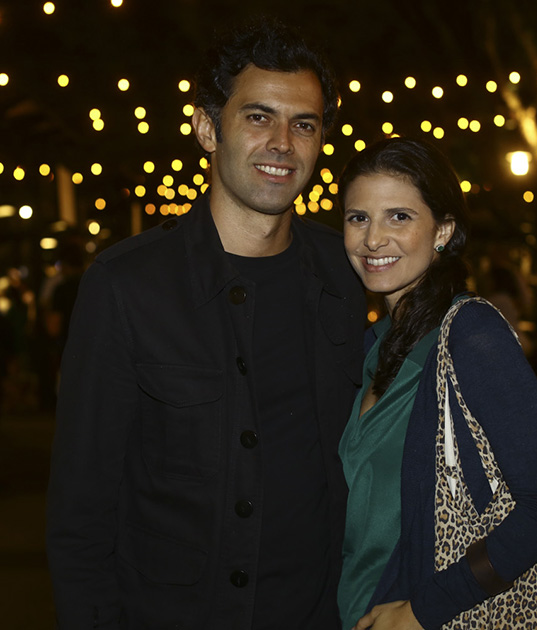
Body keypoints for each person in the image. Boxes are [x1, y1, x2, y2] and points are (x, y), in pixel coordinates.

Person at [46, 18, 365, 630]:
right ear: (206, 128)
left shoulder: (346, 269)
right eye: (259, 117)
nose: (283, 143)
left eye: (304, 124)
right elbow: (81, 516)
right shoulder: (126, 285)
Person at [335, 137, 537, 630]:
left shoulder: (471, 334)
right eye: (358, 217)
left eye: (399, 217)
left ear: (443, 231)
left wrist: (422, 610)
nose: (373, 239)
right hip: (355, 606)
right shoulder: (372, 345)